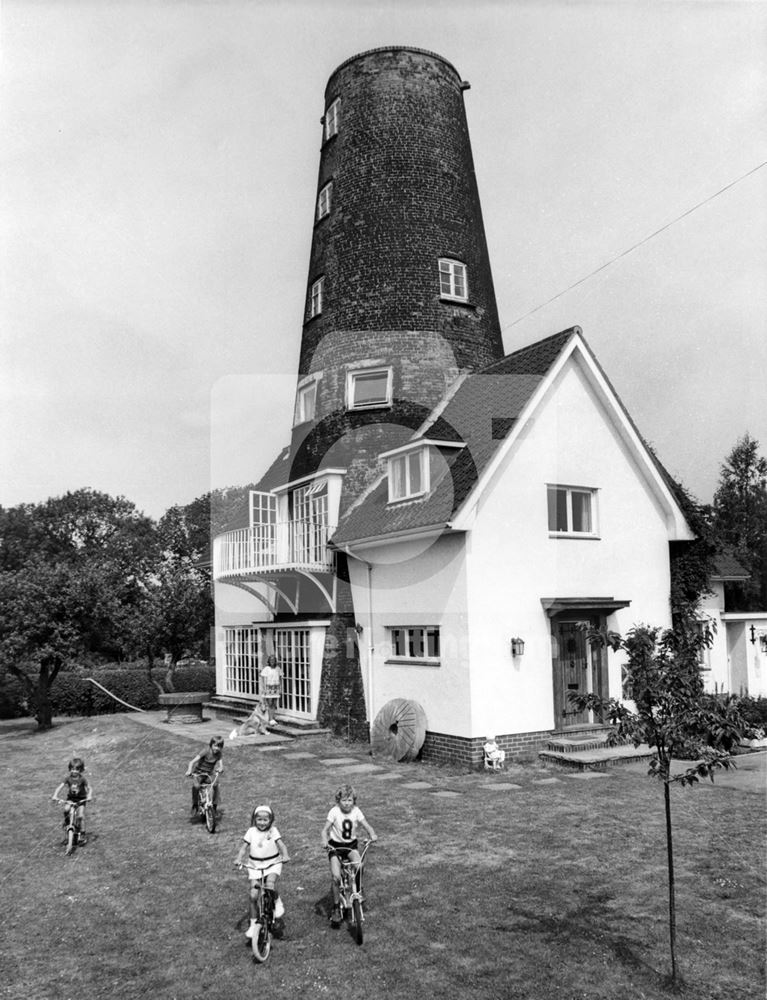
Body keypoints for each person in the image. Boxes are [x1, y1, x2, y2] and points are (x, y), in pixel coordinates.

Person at [321, 784, 378, 927]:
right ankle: (335, 907)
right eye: (344, 800)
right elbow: (325, 830)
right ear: (338, 801)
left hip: (350, 846)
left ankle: (358, 889)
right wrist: (324, 840)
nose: (347, 803)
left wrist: (372, 833)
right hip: (335, 847)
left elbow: (366, 825)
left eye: (350, 800)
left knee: (359, 865)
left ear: (354, 801)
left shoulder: (356, 811)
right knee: (336, 877)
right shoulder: (334, 812)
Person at [234, 804, 290, 938]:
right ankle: (253, 924)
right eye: (259, 819)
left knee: (269, 884)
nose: (262, 823)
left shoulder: (273, 831)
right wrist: (238, 858)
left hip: (273, 863)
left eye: (265, 820)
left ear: (270, 820)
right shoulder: (251, 831)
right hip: (255, 866)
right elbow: (244, 848)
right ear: (254, 819)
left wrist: (285, 855)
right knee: (253, 894)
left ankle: (276, 901)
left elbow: (281, 845)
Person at [51, 757, 92, 844]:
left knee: (80, 816)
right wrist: (55, 795)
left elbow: (89, 788)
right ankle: (67, 824)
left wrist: (89, 795)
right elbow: (60, 787)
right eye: (72, 769)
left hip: (81, 800)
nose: (74, 771)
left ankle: (82, 835)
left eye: (77, 769)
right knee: (66, 810)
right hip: (71, 799)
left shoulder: (82, 779)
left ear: (80, 770)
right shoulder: (68, 778)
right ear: (70, 769)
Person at [185, 736, 224, 816]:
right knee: (196, 786)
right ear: (211, 745)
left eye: (219, 747)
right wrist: (189, 771)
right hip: (199, 774)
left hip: (209, 774)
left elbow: (221, 766)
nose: (217, 748)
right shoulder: (206, 751)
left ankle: (214, 805)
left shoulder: (219, 754)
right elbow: (191, 762)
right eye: (215, 746)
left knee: (216, 785)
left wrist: (220, 769)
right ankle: (195, 805)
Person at [259, 654, 282, 724]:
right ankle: (270, 719)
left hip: (276, 687)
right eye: (271, 660)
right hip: (268, 687)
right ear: (269, 661)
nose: (272, 661)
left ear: (275, 661)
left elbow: (280, 678)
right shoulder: (266, 669)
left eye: (274, 660)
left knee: (274, 703)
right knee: (269, 703)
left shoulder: (278, 669)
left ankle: (272, 717)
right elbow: (263, 680)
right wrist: (264, 689)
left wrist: (280, 688)